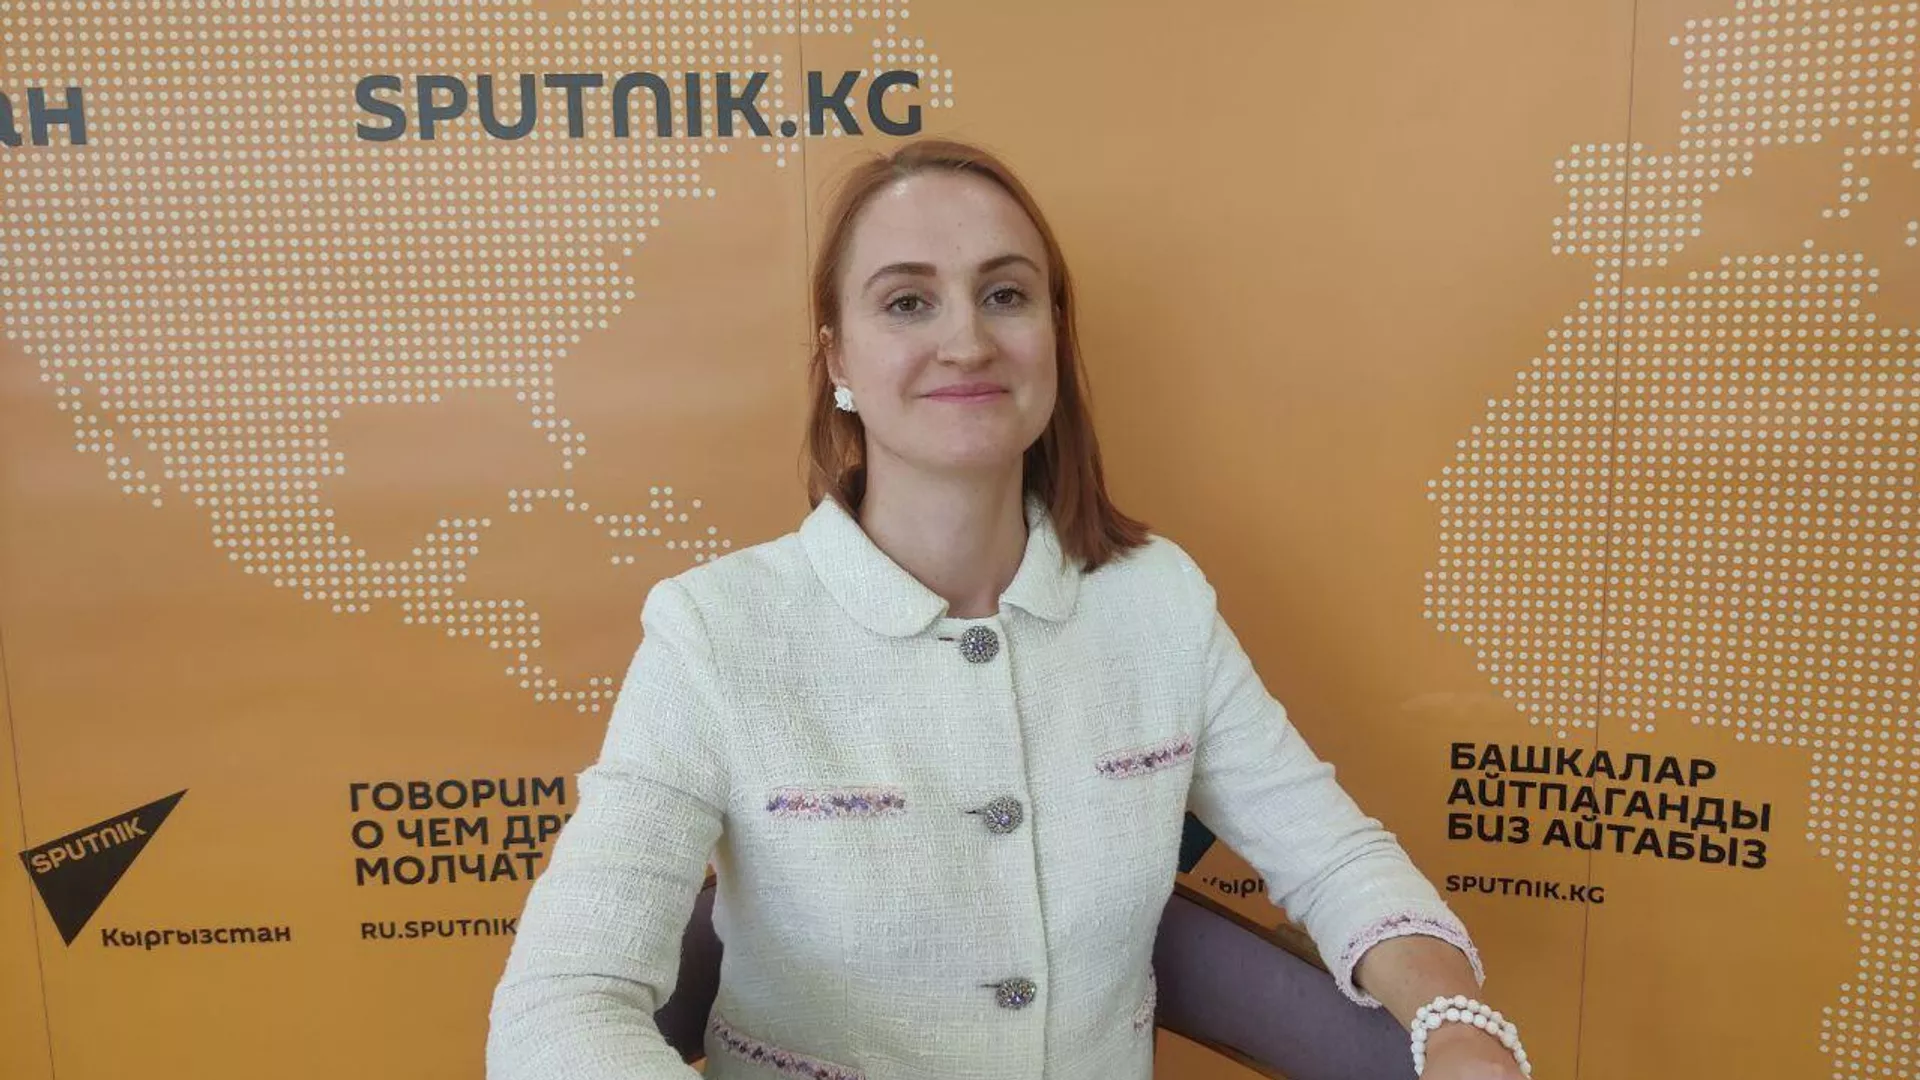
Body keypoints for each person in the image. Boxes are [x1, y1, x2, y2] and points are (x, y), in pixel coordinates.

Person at [486, 137, 1529, 1080]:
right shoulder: (716, 631)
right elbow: (560, 1005)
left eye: (1004, 294)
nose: (967, 341)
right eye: (908, 302)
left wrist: (1457, 1025)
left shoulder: (1158, 600)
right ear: (838, 357)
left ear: (1052, 335)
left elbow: (1333, 856)